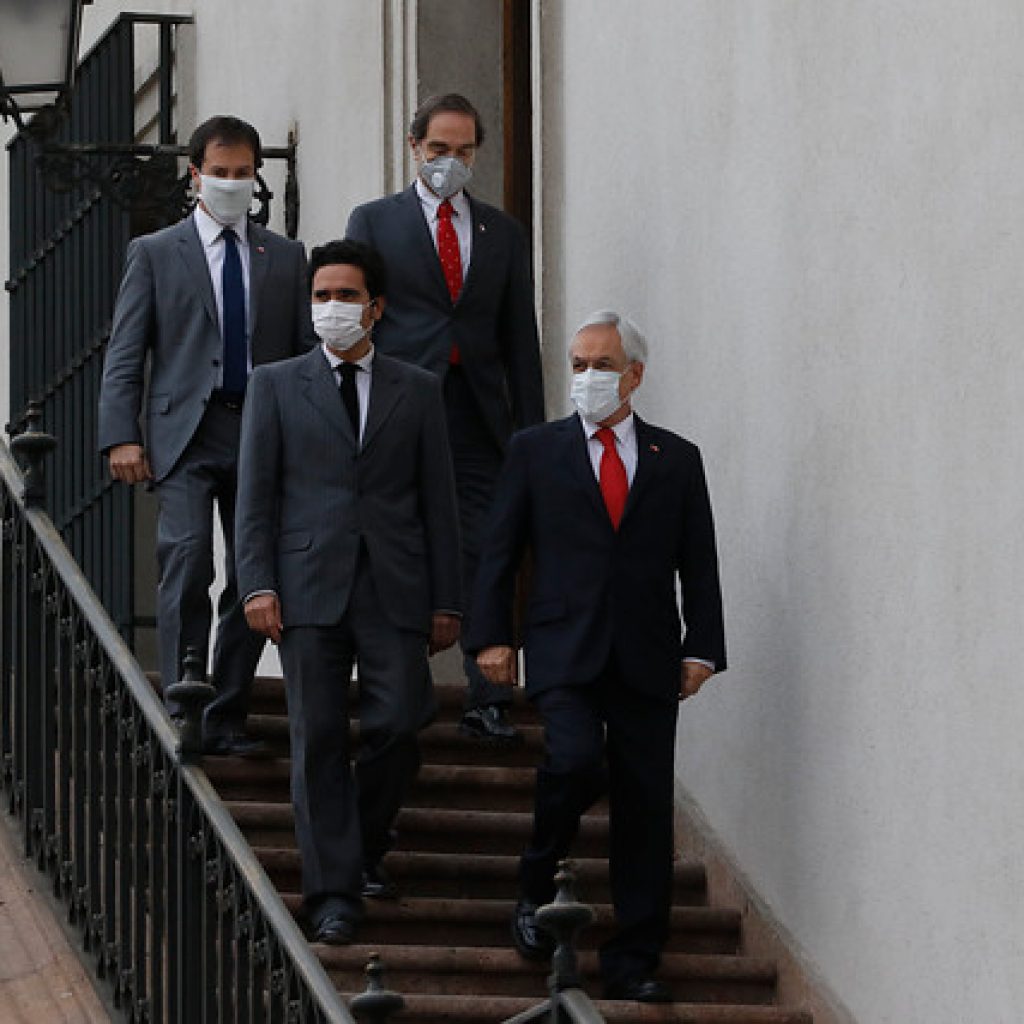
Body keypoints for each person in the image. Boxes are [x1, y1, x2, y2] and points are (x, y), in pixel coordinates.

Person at [467, 311, 726, 1003]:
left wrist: (703, 648)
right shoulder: (534, 450)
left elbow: (698, 561)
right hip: (564, 647)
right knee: (576, 759)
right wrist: (491, 637)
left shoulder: (677, 458)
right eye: (578, 365)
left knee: (645, 805)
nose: (587, 377)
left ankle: (634, 958)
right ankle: (536, 881)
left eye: (602, 365)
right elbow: (499, 551)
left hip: (647, 654)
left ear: (634, 375)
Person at [234, 239, 462, 945]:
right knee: (319, 738)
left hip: (395, 585)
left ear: (377, 307)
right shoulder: (276, 384)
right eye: (322, 296)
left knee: (401, 720)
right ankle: (333, 894)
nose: (332, 307)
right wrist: (257, 583)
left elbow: (440, 501)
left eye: (347, 296)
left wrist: (447, 599)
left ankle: (361, 843)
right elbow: (255, 496)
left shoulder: (416, 388)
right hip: (305, 586)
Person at [97, 115, 313, 756]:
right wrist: (120, 435)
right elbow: (126, 351)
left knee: (254, 575)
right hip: (186, 433)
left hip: (261, 433)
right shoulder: (156, 253)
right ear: (195, 175)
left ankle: (225, 715)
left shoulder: (286, 257)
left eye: (242, 173)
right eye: (219, 172)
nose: (230, 182)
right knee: (188, 558)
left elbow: (303, 354)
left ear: (256, 176)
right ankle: (181, 705)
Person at [345, 92, 544, 744]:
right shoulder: (375, 221)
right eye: (438, 149)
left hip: (480, 413)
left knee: (488, 544)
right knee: (404, 541)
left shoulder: (502, 232)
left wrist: (533, 433)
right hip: (401, 407)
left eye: (463, 151)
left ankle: (489, 698)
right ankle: (404, 688)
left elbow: (520, 339)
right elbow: (359, 317)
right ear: (414, 147)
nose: (450, 161)